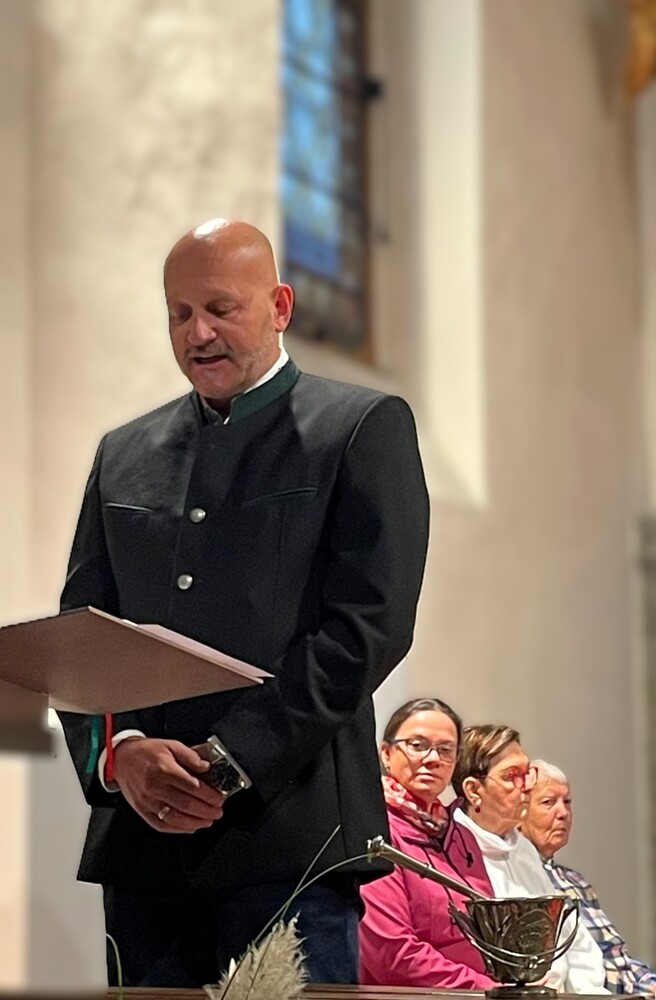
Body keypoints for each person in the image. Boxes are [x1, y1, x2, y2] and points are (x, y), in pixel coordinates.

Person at [57, 218, 430, 987]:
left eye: (221, 309)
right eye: (180, 313)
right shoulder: (122, 453)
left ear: (280, 307)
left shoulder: (358, 429)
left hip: (290, 841)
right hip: (145, 853)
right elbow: (81, 639)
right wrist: (122, 756)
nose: (198, 333)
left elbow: (368, 628)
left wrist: (229, 762)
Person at [452, 725, 609, 994]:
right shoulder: (454, 850)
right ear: (474, 790)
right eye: (512, 776)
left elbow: (573, 940)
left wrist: (589, 995)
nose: (527, 787)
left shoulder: (523, 848)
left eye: (528, 774)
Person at [359, 698, 501, 989]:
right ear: (386, 754)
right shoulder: (373, 830)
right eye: (417, 745)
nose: (433, 758)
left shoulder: (461, 836)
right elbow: (393, 956)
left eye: (446, 750)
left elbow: (490, 934)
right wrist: (486, 989)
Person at [523, 760, 656, 995]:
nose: (563, 813)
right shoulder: (519, 879)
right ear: (519, 812)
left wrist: (649, 984)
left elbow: (616, 957)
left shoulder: (575, 881)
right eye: (548, 802)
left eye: (567, 802)